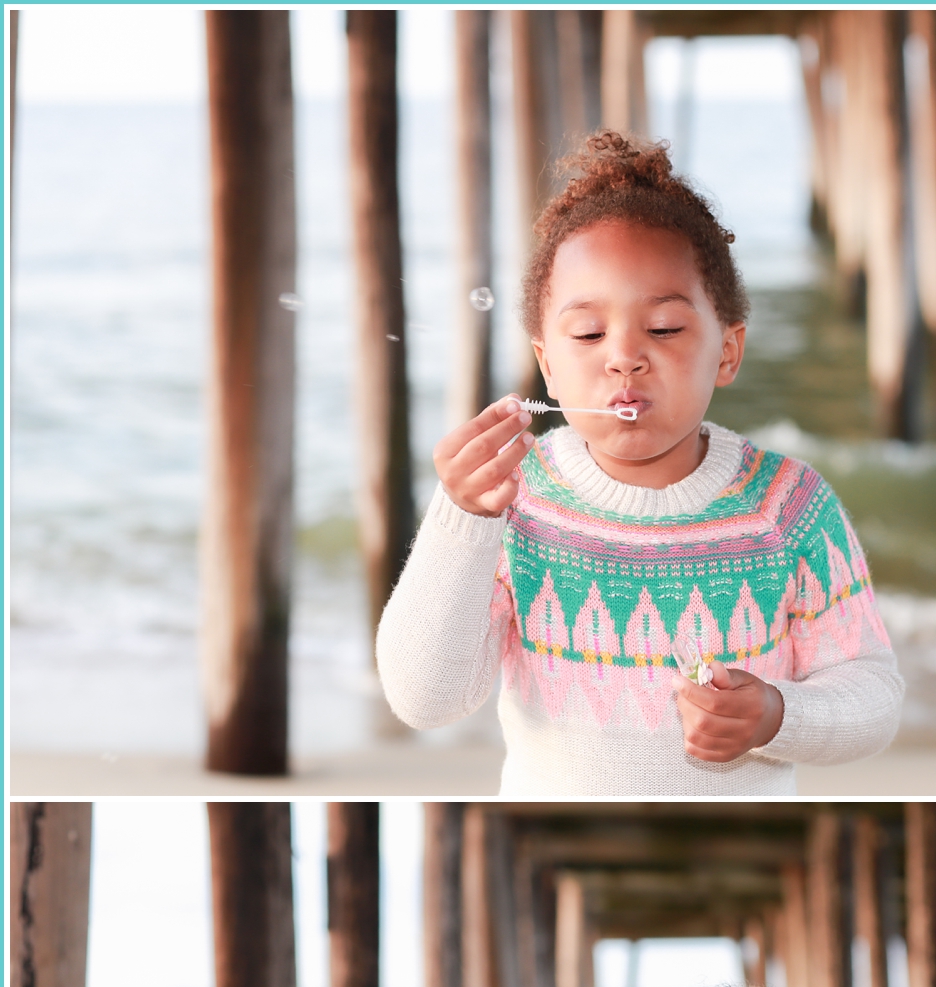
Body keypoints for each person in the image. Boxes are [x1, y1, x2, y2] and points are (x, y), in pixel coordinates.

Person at [375, 131, 903, 798]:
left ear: (728, 351)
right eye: (589, 334)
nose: (623, 357)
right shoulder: (519, 500)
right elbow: (427, 699)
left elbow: (873, 694)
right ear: (547, 367)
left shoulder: (789, 508)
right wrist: (462, 519)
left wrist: (775, 715)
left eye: (664, 329)